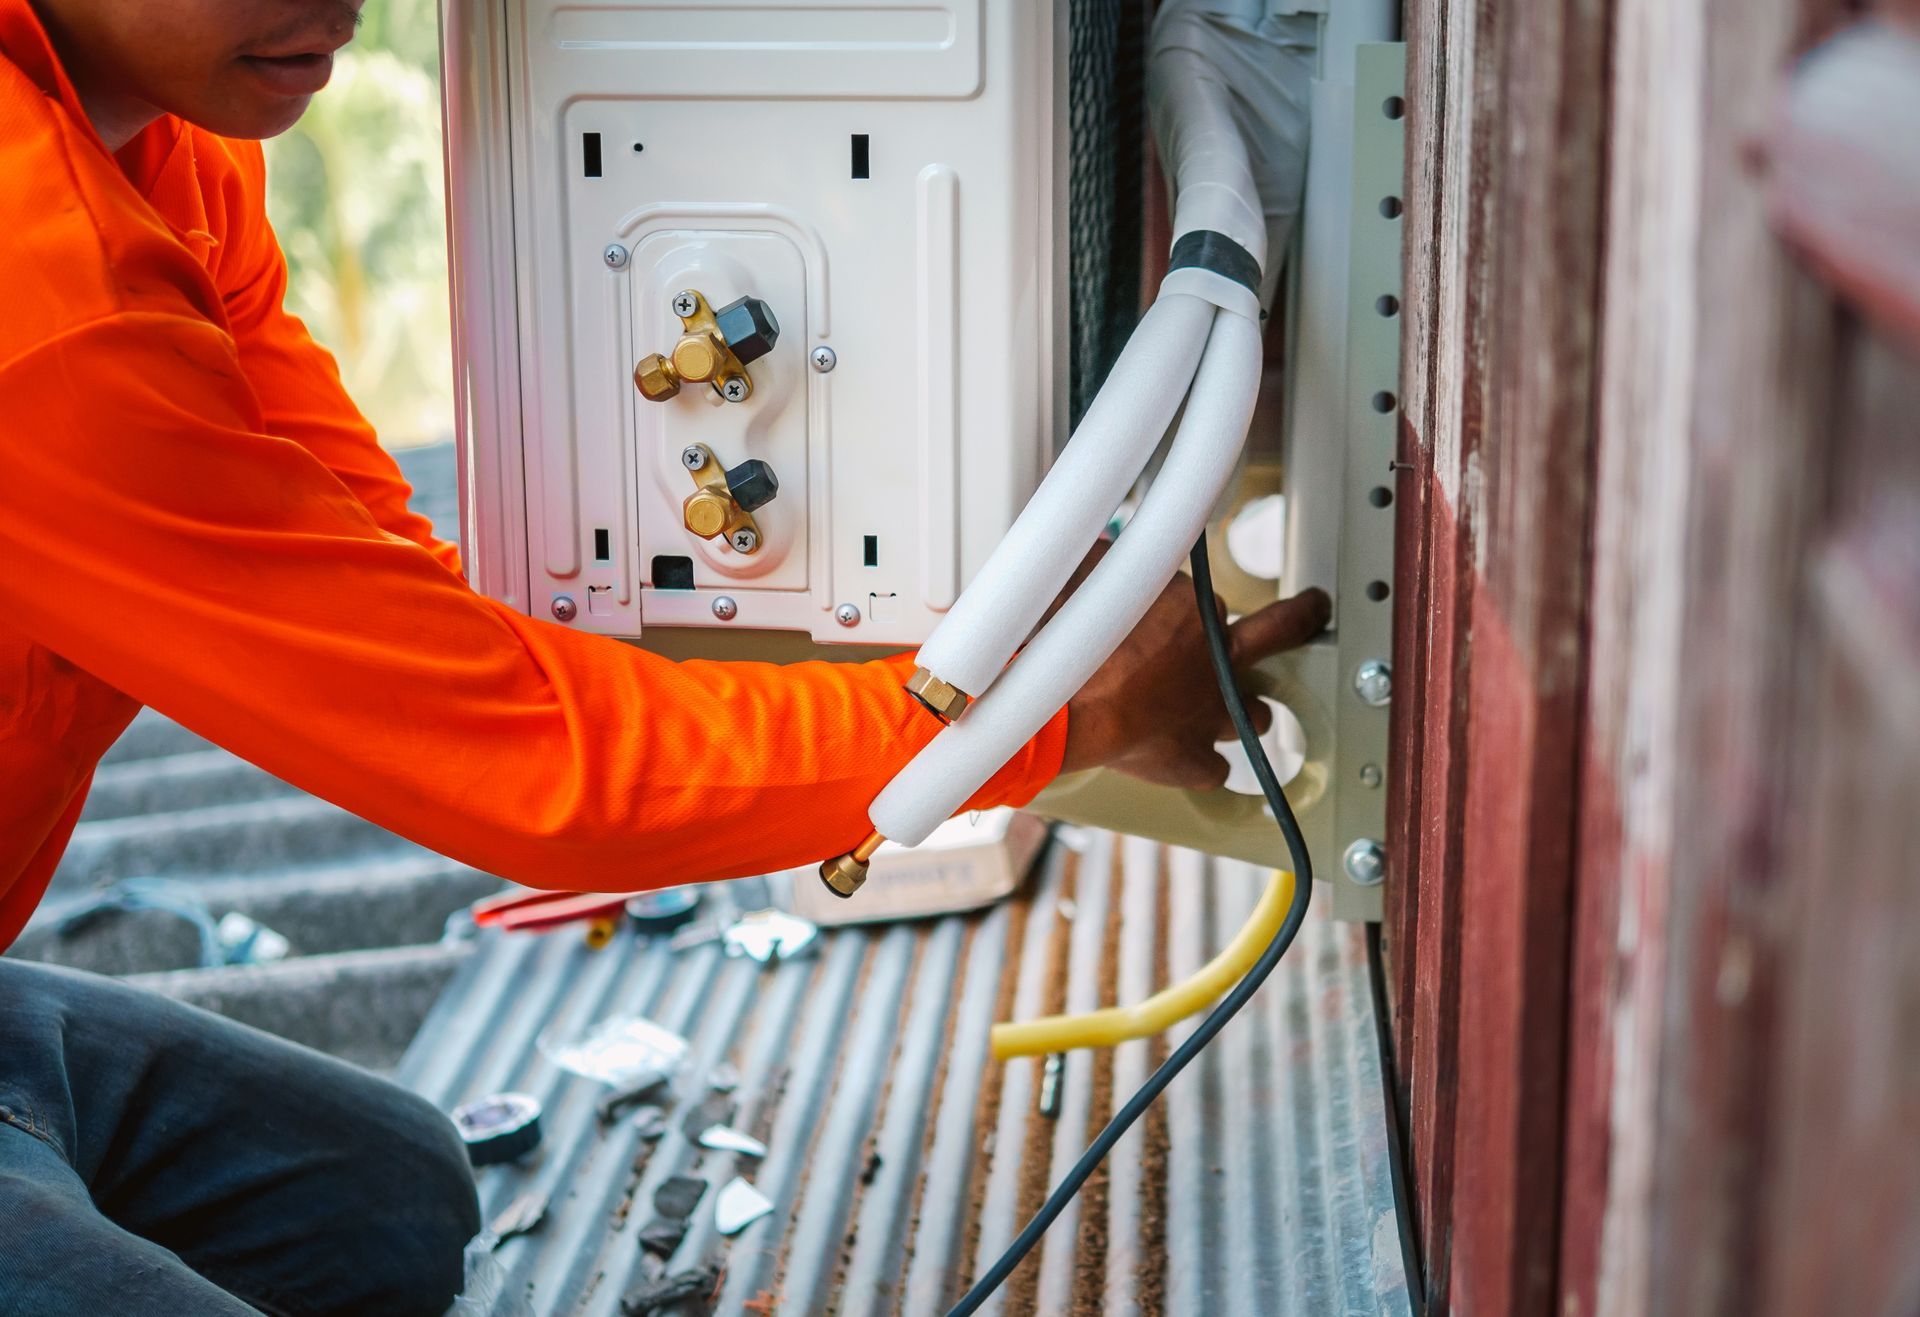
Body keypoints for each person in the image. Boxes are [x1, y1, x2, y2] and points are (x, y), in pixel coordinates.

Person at [0, 0, 1331, 1311]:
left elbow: (385, 582)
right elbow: (530, 770)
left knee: (388, 1210)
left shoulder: (168, 150)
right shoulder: (45, 299)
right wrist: (1055, 716)